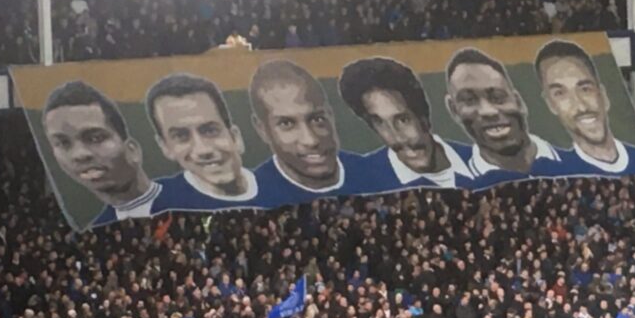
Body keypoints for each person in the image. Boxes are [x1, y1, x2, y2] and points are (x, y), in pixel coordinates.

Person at [338, 57, 473, 190]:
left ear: (423, 117)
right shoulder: (364, 180)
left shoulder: (478, 161)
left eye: (403, 120)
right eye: (381, 124)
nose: (397, 138)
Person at [42, 80, 160, 227]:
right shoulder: (98, 226)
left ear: (132, 150)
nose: (79, 155)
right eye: (63, 143)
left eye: (95, 138)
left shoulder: (187, 198)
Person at [250, 60, 369, 206]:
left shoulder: (374, 174)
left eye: (317, 119)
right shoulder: (254, 196)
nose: (311, 140)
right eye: (287, 124)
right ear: (262, 129)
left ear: (331, 115)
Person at [533, 40, 635, 176]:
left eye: (585, 89)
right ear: (550, 104)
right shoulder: (551, 170)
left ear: (603, 95)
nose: (581, 106)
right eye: (560, 93)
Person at [444, 48, 563, 186]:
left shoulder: (577, 165)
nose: (488, 111)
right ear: (454, 110)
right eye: (469, 100)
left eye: (497, 97)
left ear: (518, 102)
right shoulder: (456, 186)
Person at [145, 73, 260, 211]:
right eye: (181, 136)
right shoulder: (162, 205)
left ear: (235, 137)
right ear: (165, 147)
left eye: (210, 131)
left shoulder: (278, 185)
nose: (203, 150)